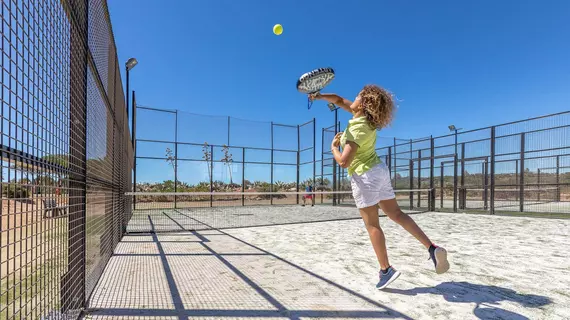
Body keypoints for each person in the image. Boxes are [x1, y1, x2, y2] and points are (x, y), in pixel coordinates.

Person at [310, 85, 449, 290]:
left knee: (372, 225)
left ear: (364, 103)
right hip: (379, 170)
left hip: (365, 176)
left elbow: (344, 162)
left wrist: (333, 148)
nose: (353, 97)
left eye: (357, 96)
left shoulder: (357, 128)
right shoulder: (365, 119)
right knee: (396, 214)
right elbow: (339, 100)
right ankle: (432, 248)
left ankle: (386, 270)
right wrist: (320, 95)